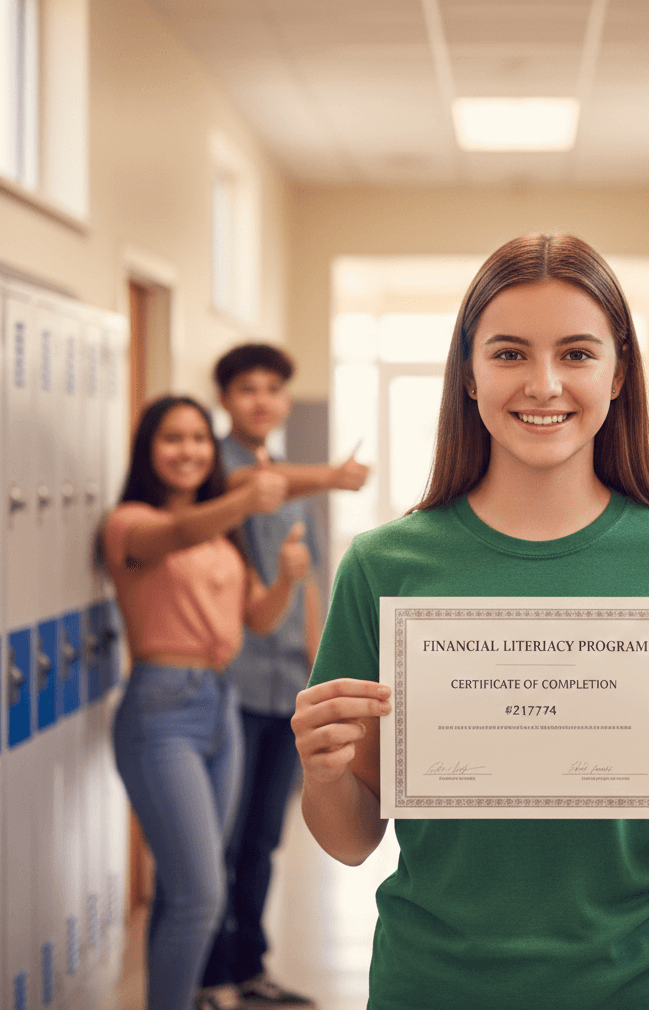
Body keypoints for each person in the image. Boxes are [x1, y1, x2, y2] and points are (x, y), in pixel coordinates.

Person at [291, 233, 649, 1010]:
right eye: (509, 353)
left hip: (639, 982)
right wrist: (320, 773)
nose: (544, 384)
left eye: (577, 354)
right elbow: (351, 841)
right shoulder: (384, 568)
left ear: (618, 374)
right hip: (433, 984)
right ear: (469, 377)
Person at [104, 396, 310, 1010]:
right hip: (161, 711)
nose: (189, 451)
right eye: (173, 439)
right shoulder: (129, 523)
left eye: (198, 438)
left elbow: (260, 620)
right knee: (201, 894)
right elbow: (175, 533)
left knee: (184, 888)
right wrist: (245, 498)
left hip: (222, 703)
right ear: (147, 450)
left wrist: (289, 579)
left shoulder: (226, 538)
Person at [199, 343, 370, 1010]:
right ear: (225, 399)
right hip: (231, 684)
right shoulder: (218, 469)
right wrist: (329, 474)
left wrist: (321, 667)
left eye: (273, 388)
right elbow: (254, 492)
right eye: (247, 388)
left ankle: (249, 969)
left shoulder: (286, 481)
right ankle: (211, 975)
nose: (262, 400)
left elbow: (310, 584)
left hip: (282, 686)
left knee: (264, 841)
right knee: (225, 836)